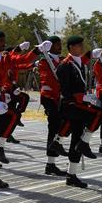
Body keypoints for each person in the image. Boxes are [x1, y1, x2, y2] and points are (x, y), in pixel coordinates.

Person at [0, 31, 41, 188]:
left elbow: (20, 60)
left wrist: (36, 52)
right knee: (12, 116)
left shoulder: (6, 57)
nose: (2, 43)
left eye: (4, 41)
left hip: (0, 98)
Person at [54, 35, 100, 188]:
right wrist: (83, 98)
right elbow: (66, 90)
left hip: (78, 104)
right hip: (70, 105)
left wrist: (87, 96)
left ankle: (71, 174)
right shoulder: (65, 65)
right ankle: (85, 142)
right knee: (98, 113)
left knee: (76, 139)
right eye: (79, 45)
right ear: (72, 47)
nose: (82, 47)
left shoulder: (79, 63)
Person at [39, 36, 67, 176]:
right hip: (49, 97)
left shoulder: (62, 60)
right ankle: (51, 162)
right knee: (54, 124)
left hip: (59, 97)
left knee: (61, 125)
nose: (59, 47)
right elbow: (45, 78)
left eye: (60, 44)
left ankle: (51, 163)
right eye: (56, 45)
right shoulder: (44, 60)